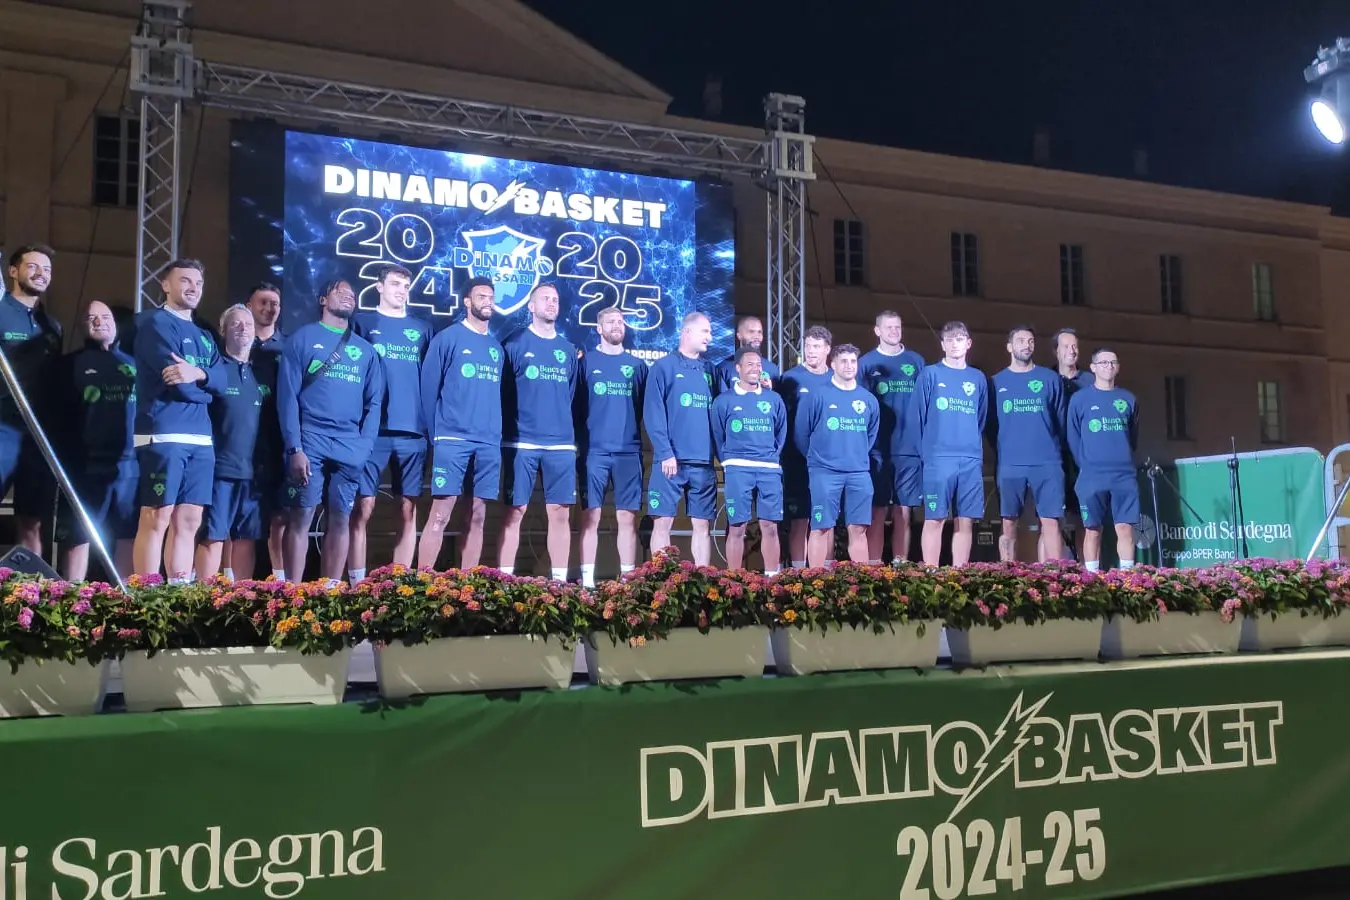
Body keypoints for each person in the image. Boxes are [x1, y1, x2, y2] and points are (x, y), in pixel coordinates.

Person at [276, 280, 383, 583]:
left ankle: (331, 591)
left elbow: (374, 404)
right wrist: (294, 448)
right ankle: (293, 596)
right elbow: (287, 398)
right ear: (323, 299)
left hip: (351, 446)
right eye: (340, 292)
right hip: (311, 439)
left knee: (341, 518)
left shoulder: (366, 351)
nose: (348, 296)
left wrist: (365, 447)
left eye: (352, 294)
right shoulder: (303, 339)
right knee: (301, 517)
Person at [132, 259, 225, 580]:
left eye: (198, 283)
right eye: (184, 281)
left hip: (201, 438)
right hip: (164, 435)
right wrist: (206, 384)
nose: (193, 288)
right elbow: (183, 387)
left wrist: (198, 373)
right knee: (156, 517)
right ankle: (145, 596)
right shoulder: (154, 324)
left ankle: (177, 593)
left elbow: (224, 382)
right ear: (165, 284)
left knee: (190, 520)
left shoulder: (205, 334)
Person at [349, 264, 429, 581]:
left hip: (412, 432)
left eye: (405, 285)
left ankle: (399, 585)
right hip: (372, 431)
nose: (401, 290)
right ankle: (356, 583)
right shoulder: (362, 323)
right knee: (363, 508)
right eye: (395, 283)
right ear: (379, 287)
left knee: (408, 509)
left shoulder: (423, 329)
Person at [418, 277, 502, 570]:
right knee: (441, 514)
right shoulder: (447, 338)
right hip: (452, 439)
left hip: (489, 442)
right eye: (481, 296)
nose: (487, 301)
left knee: (478, 515)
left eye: (490, 296)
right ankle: (422, 582)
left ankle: (468, 584)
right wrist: (436, 434)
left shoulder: (495, 347)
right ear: (467, 301)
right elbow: (428, 390)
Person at [498, 283, 580, 580]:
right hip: (521, 442)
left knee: (560, 513)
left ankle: (559, 584)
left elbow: (569, 395)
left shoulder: (568, 350)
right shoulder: (514, 344)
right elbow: (503, 393)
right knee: (514, 511)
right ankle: (505, 584)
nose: (551, 303)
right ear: (530, 306)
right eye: (545, 298)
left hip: (560, 444)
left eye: (555, 299)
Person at [56, 300, 137, 581]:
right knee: (80, 533)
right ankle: (71, 593)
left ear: (116, 324)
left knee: (128, 533)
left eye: (105, 317)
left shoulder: (134, 364)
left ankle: (125, 597)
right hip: (85, 465)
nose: (99, 321)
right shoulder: (69, 365)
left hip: (129, 466)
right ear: (82, 325)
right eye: (92, 317)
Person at [576, 306, 647, 588]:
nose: (617, 325)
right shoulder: (585, 362)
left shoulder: (638, 366)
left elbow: (641, 408)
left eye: (621, 321)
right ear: (599, 328)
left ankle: (628, 580)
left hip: (628, 452)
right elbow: (576, 407)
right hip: (594, 451)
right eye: (611, 322)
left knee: (627, 519)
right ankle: (587, 582)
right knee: (590, 516)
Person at [0, 244, 62, 557]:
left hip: (38, 436)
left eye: (47, 269)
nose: (41, 274)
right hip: (3, 428)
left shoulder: (52, 326)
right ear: (13, 271)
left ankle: (33, 596)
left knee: (33, 520)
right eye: (33, 266)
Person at [195, 305, 263, 582]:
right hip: (219, 470)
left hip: (253, 473)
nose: (243, 328)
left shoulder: (261, 372)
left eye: (248, 323)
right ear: (223, 331)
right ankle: (205, 599)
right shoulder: (215, 369)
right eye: (235, 324)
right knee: (213, 535)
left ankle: (242, 600)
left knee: (246, 537)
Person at [794, 343, 879, 567]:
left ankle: (861, 582)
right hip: (824, 471)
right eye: (843, 361)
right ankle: (816, 581)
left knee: (859, 528)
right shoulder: (817, 396)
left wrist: (855, 456)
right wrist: (818, 459)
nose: (849, 366)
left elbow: (870, 436)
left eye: (853, 361)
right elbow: (802, 433)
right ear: (833, 364)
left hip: (858, 472)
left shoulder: (868, 399)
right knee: (821, 527)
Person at [914, 321, 988, 568]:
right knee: (935, 518)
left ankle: (959, 574)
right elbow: (918, 417)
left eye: (960, 339)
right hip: (938, 458)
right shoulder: (930, 374)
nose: (955, 344)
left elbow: (981, 416)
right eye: (950, 339)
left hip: (969, 459)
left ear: (968, 343)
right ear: (943, 344)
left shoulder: (977, 378)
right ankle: (931, 573)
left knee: (965, 520)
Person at [990, 326, 1067, 562]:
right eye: (1021, 340)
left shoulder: (1050, 379)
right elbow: (991, 426)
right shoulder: (996, 382)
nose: (1027, 345)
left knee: (1051, 522)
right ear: (1009, 347)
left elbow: (1061, 420)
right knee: (1009, 523)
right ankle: (1008, 577)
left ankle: (1055, 578)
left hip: (1047, 463)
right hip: (1011, 463)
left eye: (1031, 341)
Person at [644, 311, 716, 565]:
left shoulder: (711, 370)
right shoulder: (663, 367)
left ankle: (704, 581)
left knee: (702, 527)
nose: (710, 336)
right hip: (671, 460)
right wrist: (665, 452)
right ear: (687, 333)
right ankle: (659, 578)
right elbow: (653, 414)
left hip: (703, 462)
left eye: (710, 331)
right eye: (705, 331)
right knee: (662, 522)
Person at [859, 311, 926, 564]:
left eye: (897, 327)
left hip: (910, 448)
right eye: (888, 328)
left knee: (903, 512)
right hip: (877, 449)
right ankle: (874, 564)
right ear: (877, 331)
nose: (894, 332)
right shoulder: (866, 364)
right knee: (877, 511)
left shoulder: (916, 361)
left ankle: (900, 565)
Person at [711, 347, 786, 572]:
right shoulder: (724, 401)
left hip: (769, 469)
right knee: (737, 526)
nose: (755, 368)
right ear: (738, 369)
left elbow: (781, 432)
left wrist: (772, 457)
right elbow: (717, 434)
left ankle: (772, 578)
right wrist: (728, 461)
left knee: (770, 526)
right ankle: (734, 579)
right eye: (750, 364)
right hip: (738, 469)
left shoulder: (774, 399)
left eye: (758, 364)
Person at [1067, 348, 1139, 572]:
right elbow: (1073, 436)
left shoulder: (1128, 399)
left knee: (1125, 528)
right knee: (1092, 529)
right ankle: (1092, 579)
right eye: (1103, 362)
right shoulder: (1080, 400)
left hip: (1123, 476)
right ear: (1093, 367)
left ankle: (1129, 580)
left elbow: (1133, 436)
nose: (1108, 366)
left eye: (1113, 362)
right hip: (1092, 477)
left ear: (1118, 367)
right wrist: (1087, 464)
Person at [777, 325, 834, 568]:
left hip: (830, 462)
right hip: (796, 460)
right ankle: (799, 573)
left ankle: (825, 573)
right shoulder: (790, 378)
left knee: (826, 520)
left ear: (828, 350)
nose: (811, 351)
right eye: (808, 346)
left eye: (817, 347)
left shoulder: (836, 379)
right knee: (800, 519)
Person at [246, 282, 287, 580]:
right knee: (239, 517)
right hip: (241, 443)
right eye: (262, 302)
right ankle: (233, 583)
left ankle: (281, 582)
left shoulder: (289, 348)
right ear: (249, 306)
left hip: (278, 442)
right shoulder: (235, 345)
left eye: (274, 303)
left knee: (279, 517)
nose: (269, 308)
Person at [1050, 327, 1093, 562]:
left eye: (1075, 346)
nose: (1072, 351)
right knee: (1049, 518)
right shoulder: (1046, 378)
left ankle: (1087, 574)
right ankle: (1048, 574)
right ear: (1056, 351)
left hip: (1082, 459)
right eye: (1066, 346)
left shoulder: (1089, 381)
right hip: (1053, 457)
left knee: (1084, 518)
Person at [716, 315, 778, 391]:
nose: (756, 336)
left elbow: (777, 400)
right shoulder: (724, 368)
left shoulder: (772, 369)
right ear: (739, 335)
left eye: (759, 332)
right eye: (751, 332)